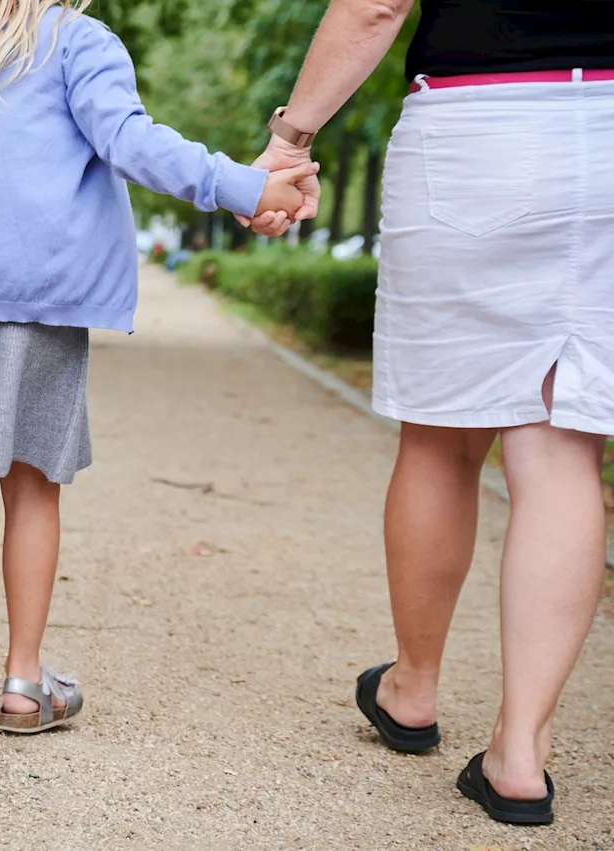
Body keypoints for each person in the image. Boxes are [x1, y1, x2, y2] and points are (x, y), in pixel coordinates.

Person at [0, 0, 316, 755]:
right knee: (32, 484)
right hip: (41, 295)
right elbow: (130, 143)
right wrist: (242, 187)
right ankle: (22, 684)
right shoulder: (81, 42)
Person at [243, 0, 614, 826]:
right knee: (561, 449)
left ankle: (413, 688)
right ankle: (521, 751)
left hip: (481, 124)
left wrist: (292, 136)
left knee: (443, 439)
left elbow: (376, 6)